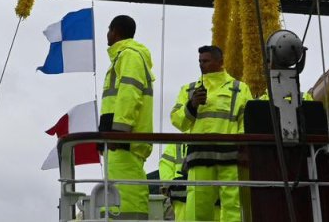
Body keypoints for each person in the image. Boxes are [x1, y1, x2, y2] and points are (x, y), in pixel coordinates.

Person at [170, 45, 252, 222]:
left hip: (231, 157)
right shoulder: (189, 90)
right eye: (200, 61)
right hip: (200, 157)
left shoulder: (240, 89)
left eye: (206, 61)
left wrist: (243, 150)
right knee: (198, 208)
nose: (201, 65)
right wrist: (192, 105)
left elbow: (246, 121)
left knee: (233, 207)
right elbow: (177, 121)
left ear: (220, 62)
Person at [98, 15, 155, 220]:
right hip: (118, 140)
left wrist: (118, 132)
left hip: (123, 140)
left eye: (109, 30)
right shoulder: (124, 56)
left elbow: (129, 94)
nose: (107, 34)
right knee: (117, 191)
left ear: (115, 32)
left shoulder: (129, 55)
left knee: (126, 193)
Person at [156, 142, 187, 219]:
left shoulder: (174, 146)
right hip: (178, 198)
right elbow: (165, 173)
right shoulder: (174, 146)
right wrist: (175, 187)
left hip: (181, 197)